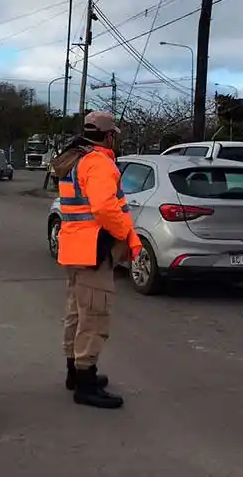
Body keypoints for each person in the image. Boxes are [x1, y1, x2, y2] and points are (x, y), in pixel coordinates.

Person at [50, 111, 142, 409]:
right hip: (94, 250)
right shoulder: (98, 162)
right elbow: (104, 208)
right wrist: (126, 233)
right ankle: (85, 382)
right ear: (109, 135)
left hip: (74, 247)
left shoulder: (73, 159)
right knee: (94, 315)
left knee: (76, 313)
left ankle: (74, 373)